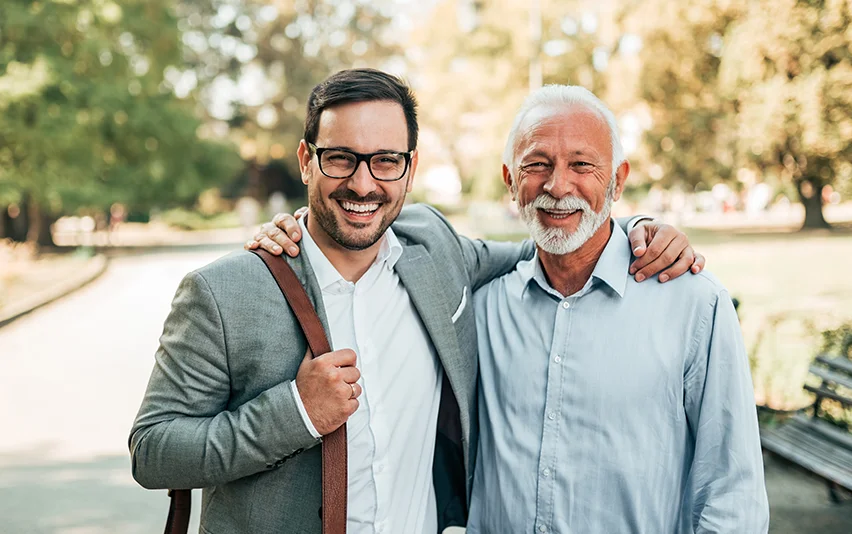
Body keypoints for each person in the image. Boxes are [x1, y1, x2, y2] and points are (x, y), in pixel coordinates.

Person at [131, 69, 702, 534]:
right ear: (307, 160)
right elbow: (153, 451)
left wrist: (637, 230)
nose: (363, 184)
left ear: (410, 168)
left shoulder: (435, 248)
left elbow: (547, 243)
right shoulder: (224, 292)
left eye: (385, 160)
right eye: (340, 159)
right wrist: (296, 414)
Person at [468, 86, 769, 532]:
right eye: (537, 164)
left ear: (618, 180)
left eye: (582, 164)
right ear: (510, 180)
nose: (557, 185)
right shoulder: (483, 309)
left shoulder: (694, 304)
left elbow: (734, 496)